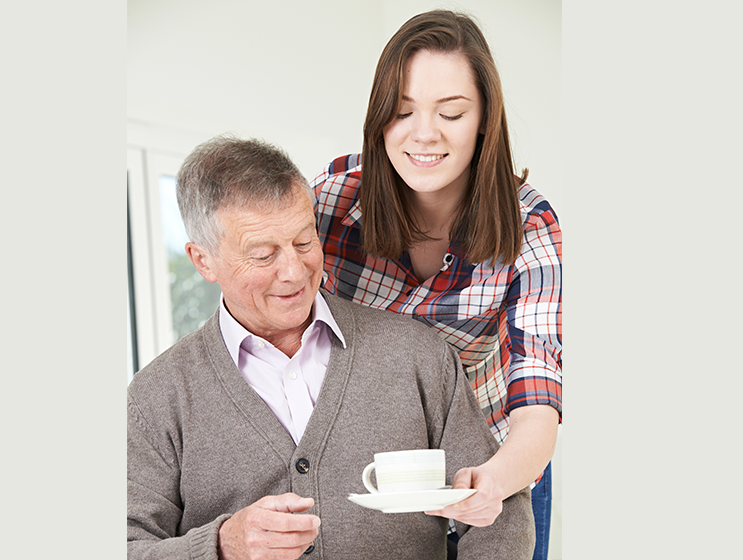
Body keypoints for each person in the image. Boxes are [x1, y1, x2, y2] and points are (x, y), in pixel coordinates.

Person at [127, 135, 534, 559]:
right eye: (264, 255)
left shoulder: (417, 356)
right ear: (202, 260)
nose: (294, 272)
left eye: (304, 242)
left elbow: (499, 507)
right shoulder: (156, 398)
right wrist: (219, 546)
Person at [312, 10, 562, 559]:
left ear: (484, 121)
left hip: (495, 465)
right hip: (377, 473)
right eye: (402, 112)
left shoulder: (529, 224)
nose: (424, 135)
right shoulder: (331, 202)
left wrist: (494, 482)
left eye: (451, 112)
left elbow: (538, 389)